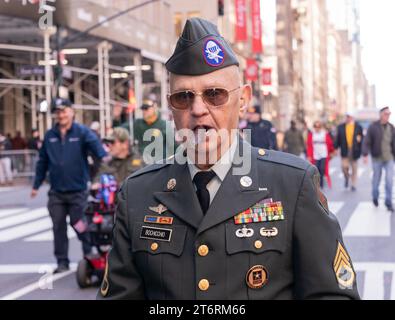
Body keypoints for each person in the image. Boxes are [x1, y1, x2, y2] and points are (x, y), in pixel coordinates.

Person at [98, 18, 359, 300]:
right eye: (183, 97)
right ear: (170, 106)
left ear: (243, 99)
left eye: (214, 94)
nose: (198, 109)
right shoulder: (137, 194)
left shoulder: (293, 185)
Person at [31, 98, 107, 273]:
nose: (61, 115)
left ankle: (88, 254)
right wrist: (36, 185)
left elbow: (100, 153)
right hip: (56, 193)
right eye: (58, 112)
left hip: (78, 191)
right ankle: (62, 262)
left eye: (64, 111)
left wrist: (102, 172)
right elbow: (42, 162)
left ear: (71, 112)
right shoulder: (50, 135)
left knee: (79, 223)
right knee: (58, 227)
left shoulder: (82, 132)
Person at [362, 106, 395, 212]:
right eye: (386, 114)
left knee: (389, 180)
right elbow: (367, 141)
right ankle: (375, 196)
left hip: (389, 157)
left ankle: (388, 202)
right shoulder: (373, 126)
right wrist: (365, 154)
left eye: (389, 114)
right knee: (376, 179)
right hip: (377, 158)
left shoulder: (391, 127)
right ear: (381, 115)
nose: (388, 116)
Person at [335, 113, 364, 191]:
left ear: (352, 117)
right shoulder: (341, 127)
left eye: (349, 117)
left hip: (355, 150)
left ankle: (353, 184)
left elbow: (361, 139)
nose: (348, 118)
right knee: (344, 167)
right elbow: (337, 138)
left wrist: (362, 150)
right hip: (344, 150)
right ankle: (347, 177)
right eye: (347, 117)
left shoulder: (358, 127)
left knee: (354, 169)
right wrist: (336, 148)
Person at [306, 121, 335, 189]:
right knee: (316, 169)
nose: (317, 128)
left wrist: (332, 151)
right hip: (315, 155)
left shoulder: (324, 134)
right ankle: (317, 183)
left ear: (320, 127)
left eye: (318, 127)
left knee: (322, 169)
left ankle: (321, 183)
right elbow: (309, 145)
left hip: (323, 154)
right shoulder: (311, 134)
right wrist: (309, 155)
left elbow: (330, 143)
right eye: (316, 127)